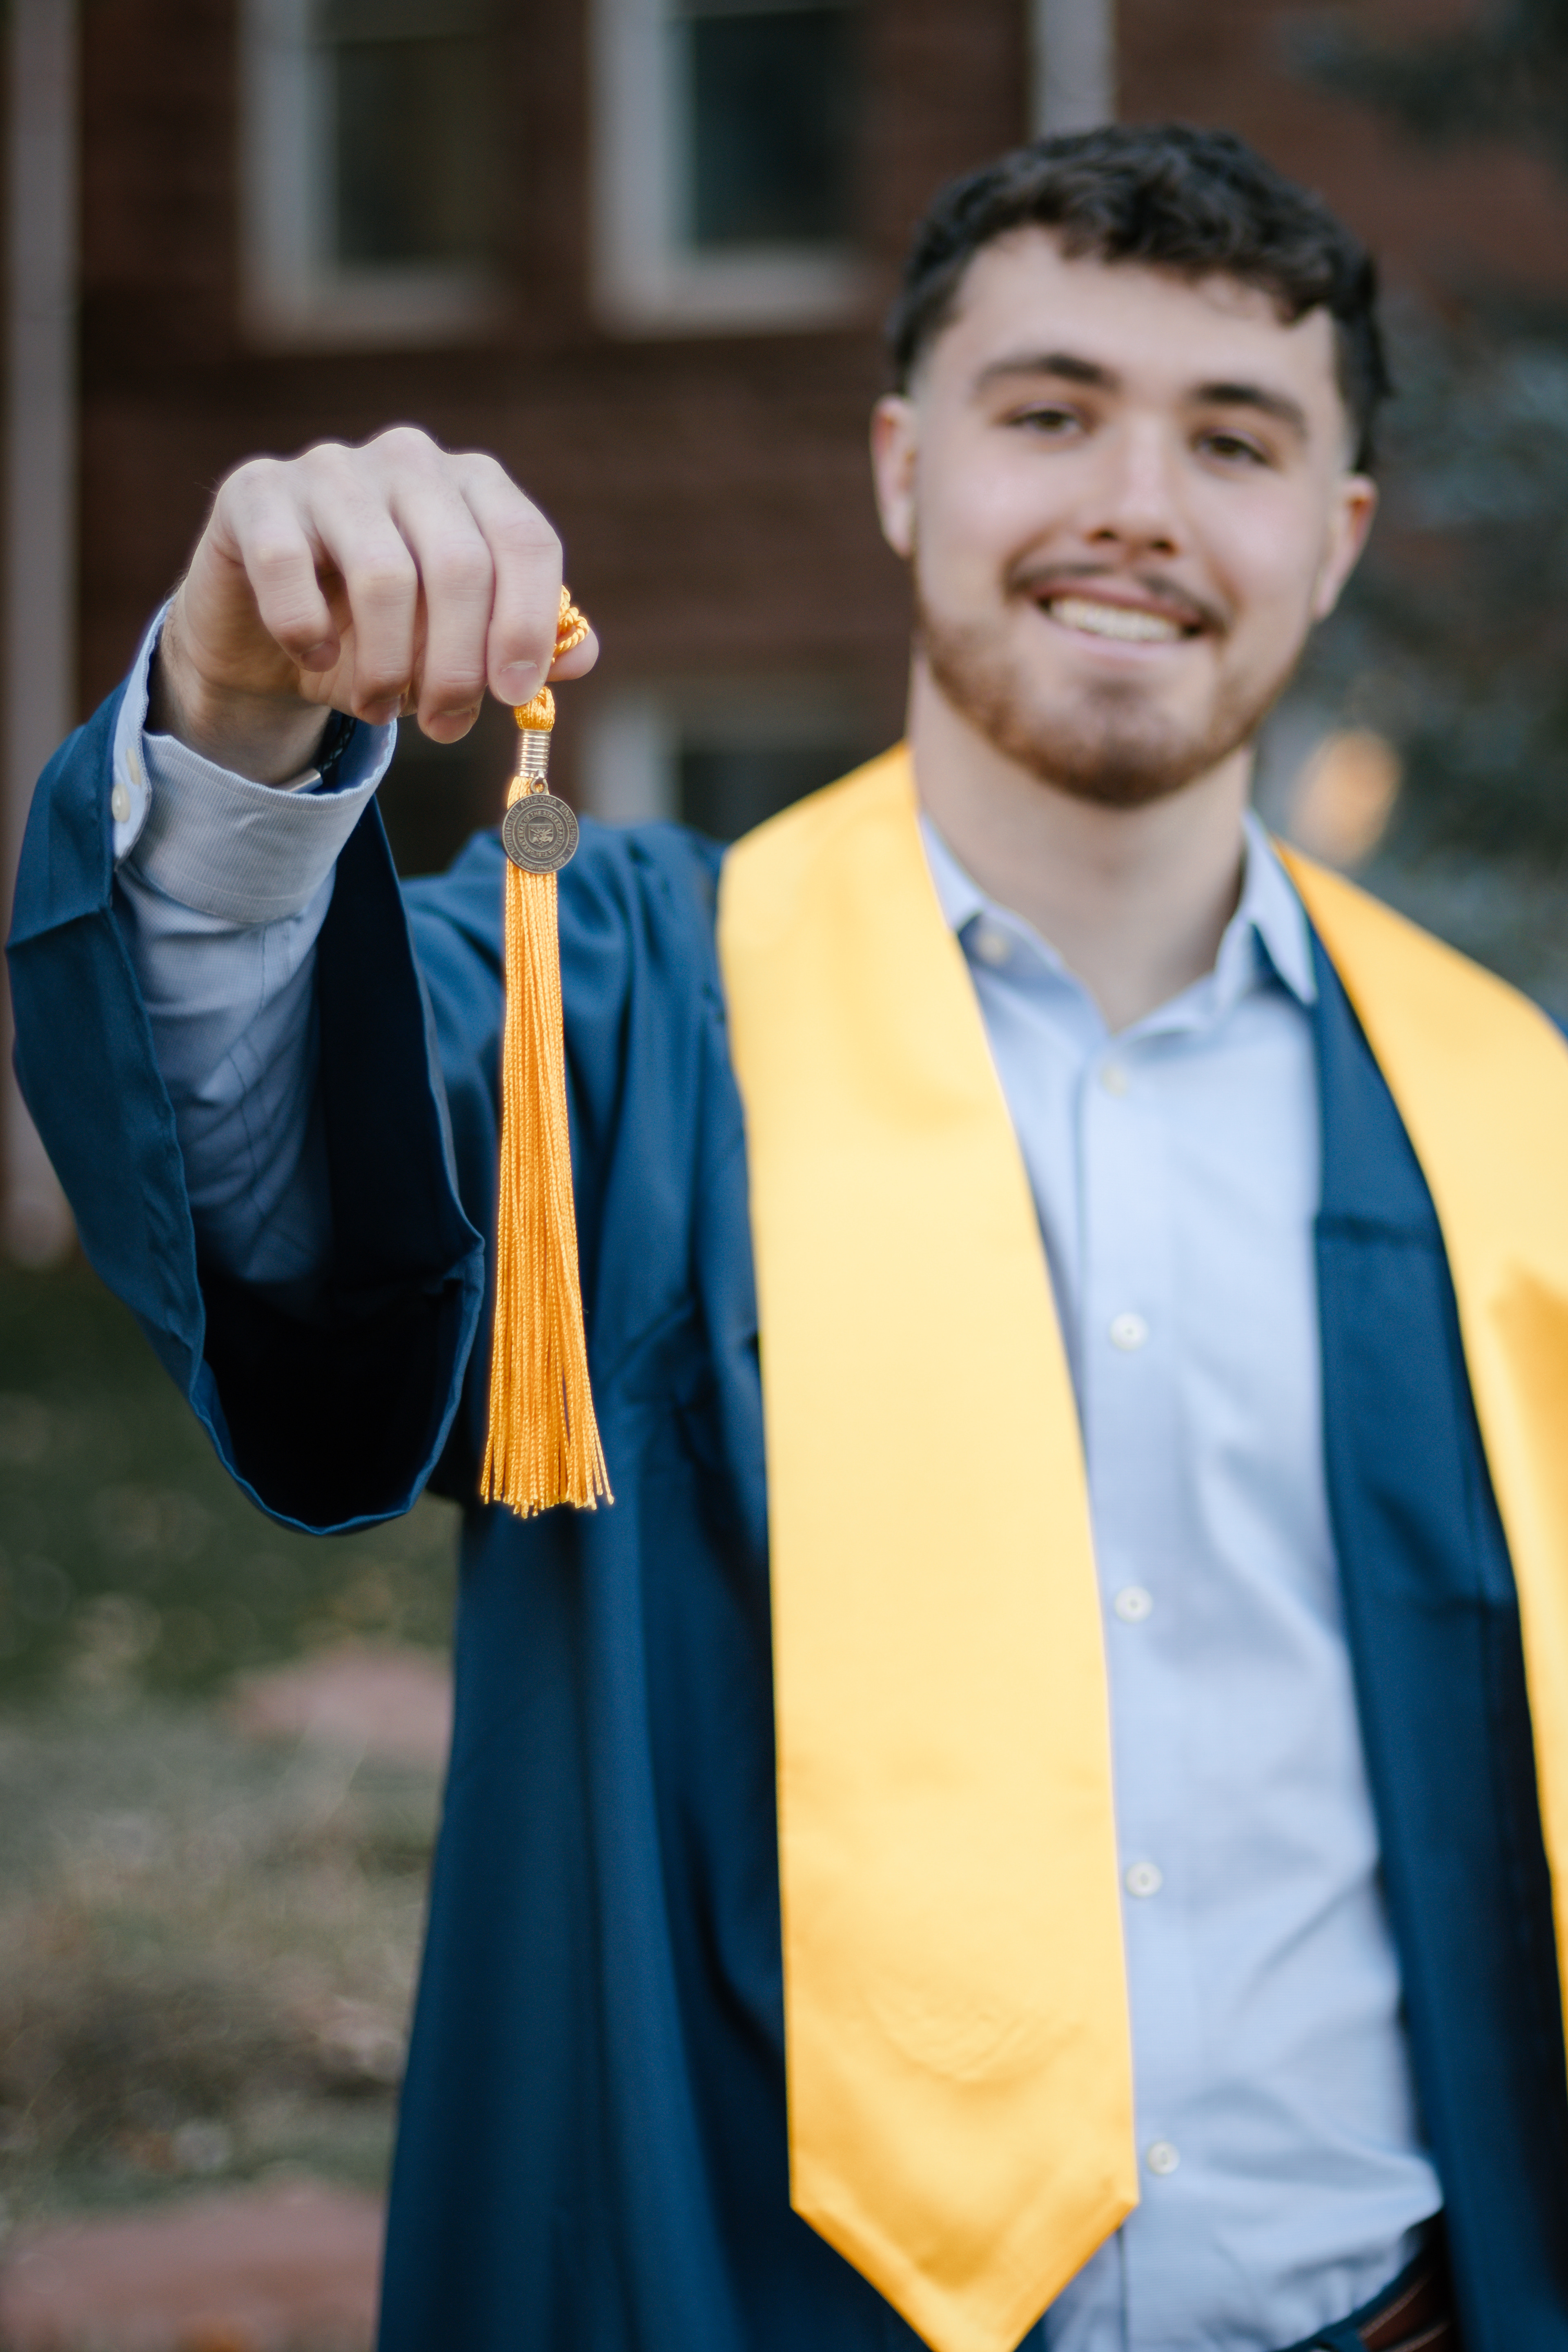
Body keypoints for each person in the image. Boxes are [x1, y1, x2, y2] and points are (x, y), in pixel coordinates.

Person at [8, 122, 1568, 2352]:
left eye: (1232, 438)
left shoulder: (1507, 1117)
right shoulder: (634, 1006)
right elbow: (274, 1199)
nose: (1136, 498)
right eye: (1050, 412)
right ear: (901, 468)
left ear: (1332, 544)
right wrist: (244, 723)